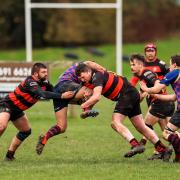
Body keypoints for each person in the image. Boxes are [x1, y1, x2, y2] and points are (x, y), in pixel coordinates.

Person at [74, 63, 172, 161]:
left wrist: (83, 105)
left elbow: (96, 97)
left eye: (83, 77)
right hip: (131, 93)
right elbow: (90, 98)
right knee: (141, 126)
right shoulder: (90, 79)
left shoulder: (97, 76)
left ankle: (135, 145)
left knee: (115, 122)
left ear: (88, 71)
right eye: (80, 79)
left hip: (126, 94)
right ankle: (163, 149)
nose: (82, 80)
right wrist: (86, 110)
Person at [0, 63, 74, 161]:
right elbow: (42, 93)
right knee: (1, 126)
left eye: (46, 72)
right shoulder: (30, 82)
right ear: (35, 74)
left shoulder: (45, 83)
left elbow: (55, 93)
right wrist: (62, 96)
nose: (46, 74)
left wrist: (72, 96)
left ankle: (9, 156)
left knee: (25, 131)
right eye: (43, 72)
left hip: (18, 111)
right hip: (7, 105)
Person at [36, 61, 106, 155]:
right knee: (92, 90)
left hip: (60, 92)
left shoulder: (85, 73)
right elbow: (89, 62)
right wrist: (104, 70)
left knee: (62, 127)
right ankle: (86, 110)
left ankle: (44, 139)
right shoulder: (85, 66)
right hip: (65, 85)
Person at [130, 54, 175, 160]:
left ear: (140, 65)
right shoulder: (142, 76)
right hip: (164, 104)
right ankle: (162, 151)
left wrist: (149, 90)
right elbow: (141, 96)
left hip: (160, 103)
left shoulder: (146, 73)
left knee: (145, 126)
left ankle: (157, 148)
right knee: (167, 131)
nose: (131, 67)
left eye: (133, 64)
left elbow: (157, 83)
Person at [140, 55, 180, 162]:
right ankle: (178, 158)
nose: (169, 66)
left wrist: (145, 88)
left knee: (166, 134)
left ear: (175, 65)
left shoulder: (175, 72)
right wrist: (156, 96)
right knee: (169, 131)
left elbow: (157, 88)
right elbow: (173, 97)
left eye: (170, 64)